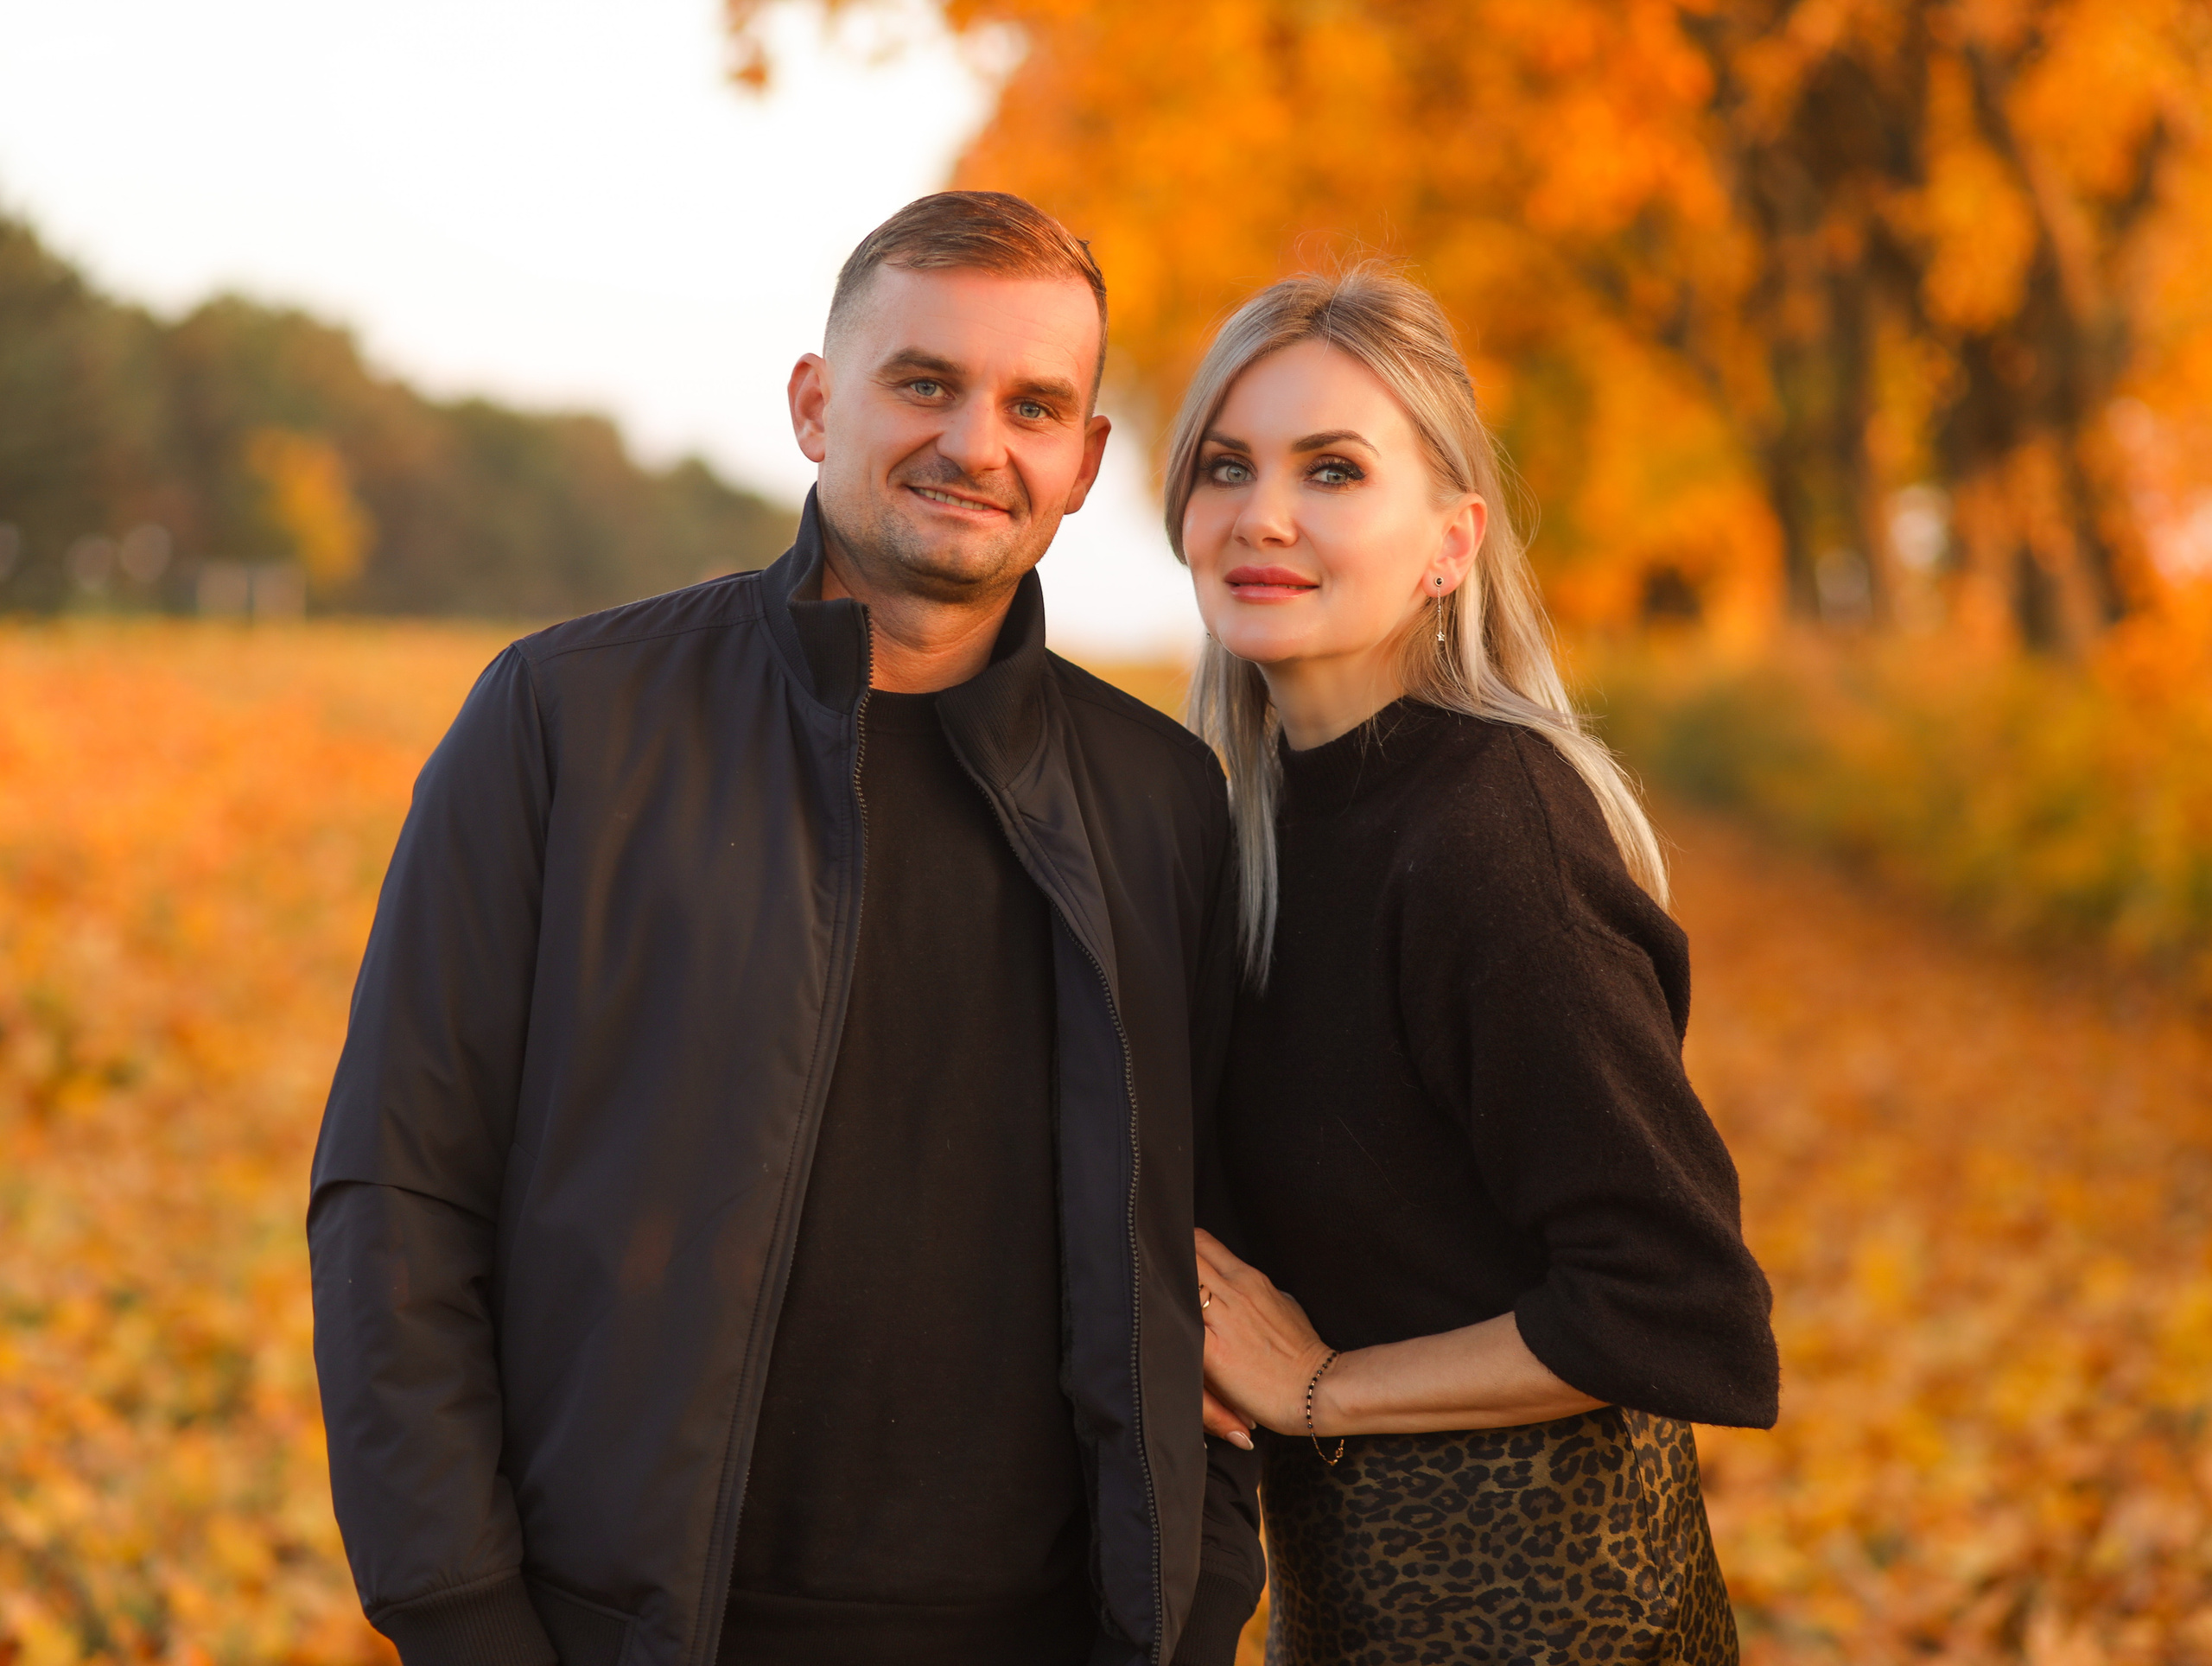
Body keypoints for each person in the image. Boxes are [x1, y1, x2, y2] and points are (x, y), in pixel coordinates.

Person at [308, 191, 1263, 1666]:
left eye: (1034, 405)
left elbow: (1213, 1249)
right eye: (923, 382)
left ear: (1083, 465)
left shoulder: (1162, 804)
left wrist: (1195, 1605)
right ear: (819, 405)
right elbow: (398, 1191)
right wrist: (462, 1614)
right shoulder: (568, 721)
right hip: (627, 1631)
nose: (974, 444)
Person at [1169, 267, 1780, 1665]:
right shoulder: (1239, 819)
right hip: (1351, 1602)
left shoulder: (1486, 831)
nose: (1262, 512)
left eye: (1332, 469)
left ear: (1451, 543)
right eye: (1226, 465)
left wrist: (1321, 1388)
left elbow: (1677, 1303)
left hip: (1550, 1614)